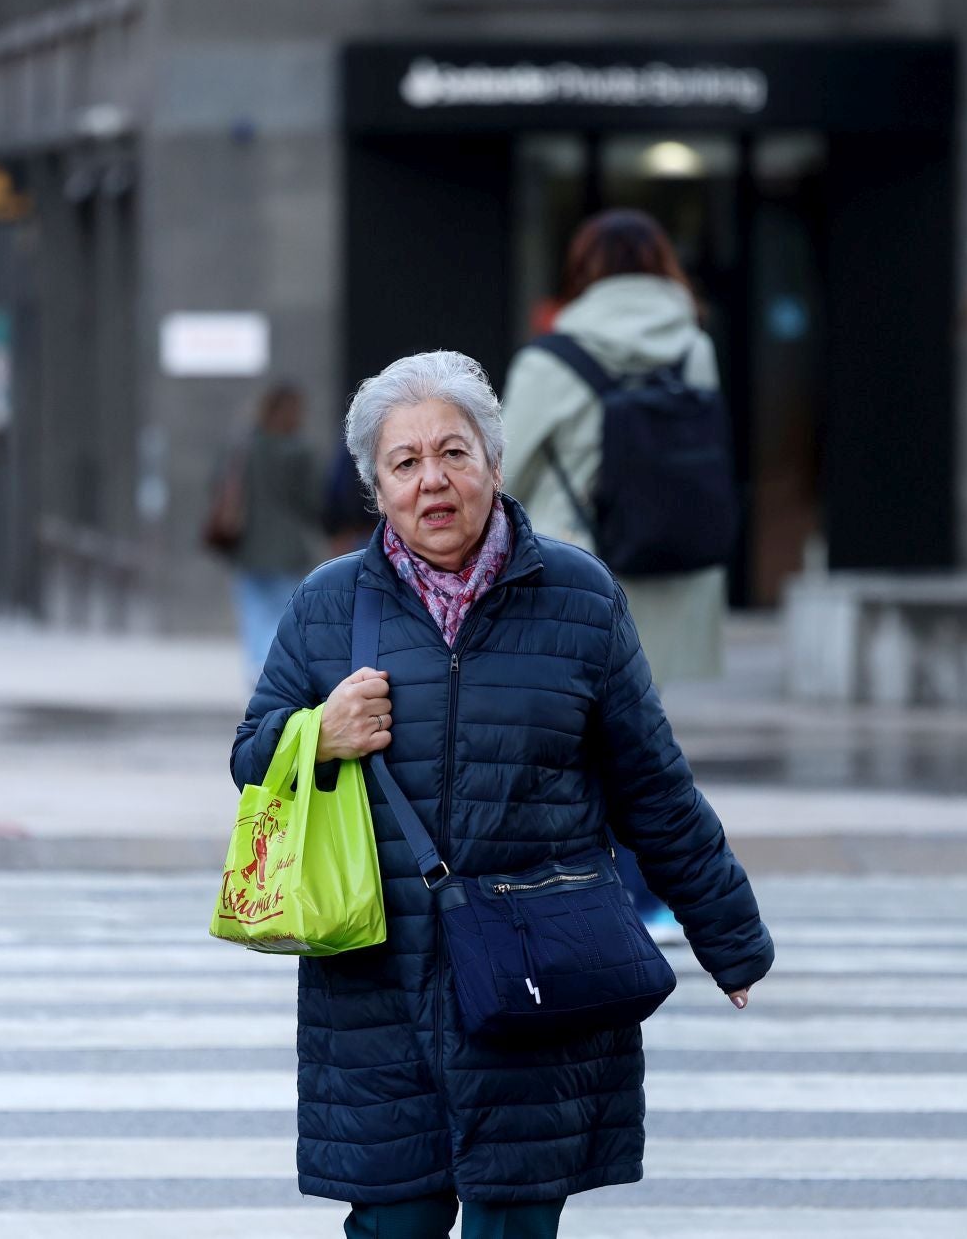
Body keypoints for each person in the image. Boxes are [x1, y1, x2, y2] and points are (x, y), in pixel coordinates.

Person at [231, 351, 773, 1239]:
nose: (432, 481)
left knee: (513, 1222)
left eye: (454, 452)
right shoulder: (328, 605)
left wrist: (730, 937)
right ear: (376, 486)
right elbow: (250, 755)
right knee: (392, 1221)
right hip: (377, 985)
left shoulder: (580, 598)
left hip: (534, 976)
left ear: (494, 461)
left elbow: (653, 785)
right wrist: (316, 734)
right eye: (404, 463)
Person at [500, 209, 728, 939]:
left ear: (582, 272)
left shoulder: (550, 360)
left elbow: (501, 477)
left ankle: (614, 894)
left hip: (577, 575)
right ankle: (651, 893)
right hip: (671, 566)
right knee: (643, 742)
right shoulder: (694, 348)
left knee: (570, 744)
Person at [224, 382, 322, 679]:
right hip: (288, 549)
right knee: (284, 616)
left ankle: (256, 672)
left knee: (254, 614)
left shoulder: (245, 447)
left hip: (248, 547)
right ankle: (272, 673)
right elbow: (314, 501)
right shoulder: (300, 451)